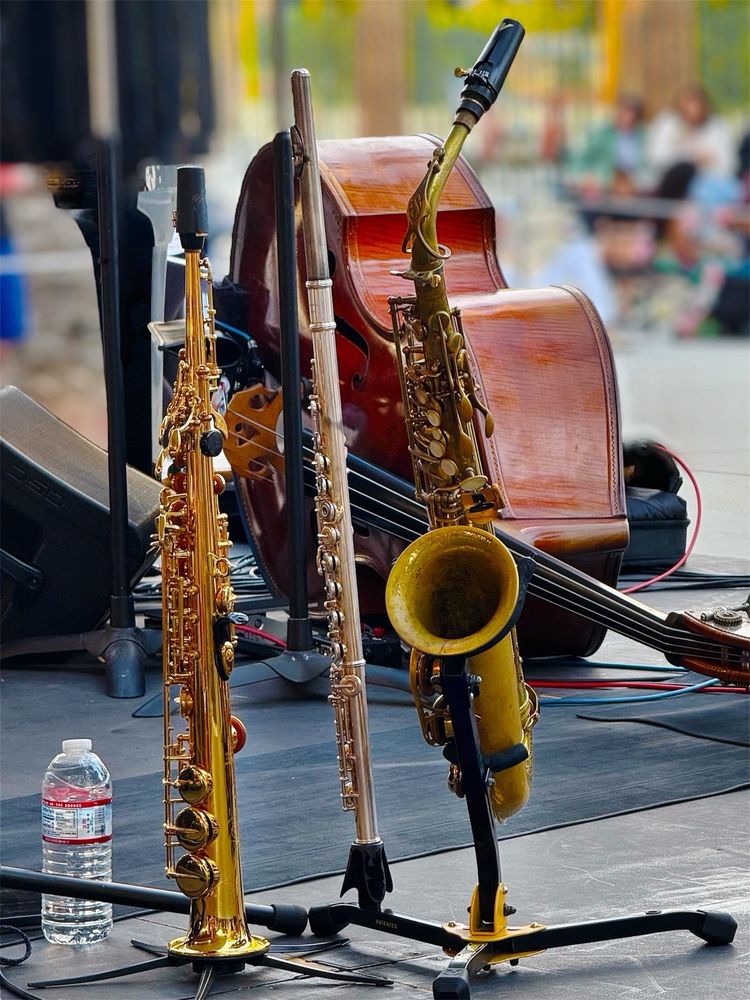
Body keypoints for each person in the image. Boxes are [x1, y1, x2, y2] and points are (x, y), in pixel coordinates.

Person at [568, 94, 648, 198]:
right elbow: (581, 160)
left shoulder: (643, 135)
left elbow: (646, 165)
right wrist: (587, 176)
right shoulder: (600, 133)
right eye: (620, 110)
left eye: (628, 111)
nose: (623, 115)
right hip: (605, 185)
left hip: (634, 186)